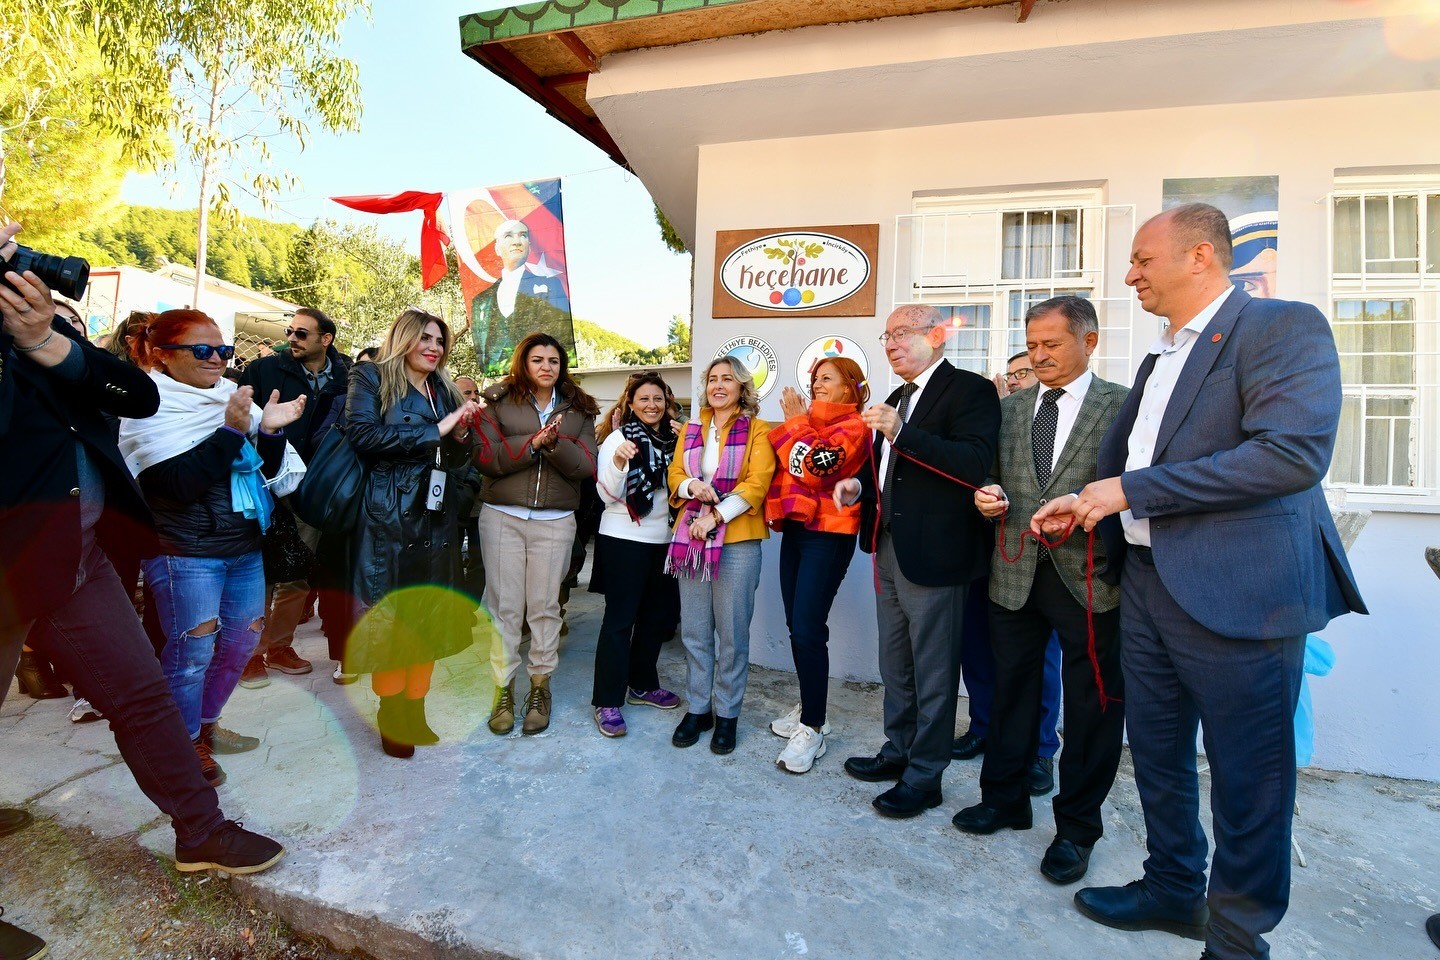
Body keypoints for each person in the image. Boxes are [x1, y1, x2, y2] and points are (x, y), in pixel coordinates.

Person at [1032, 204, 1367, 960]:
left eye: (1144, 260)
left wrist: (1131, 493)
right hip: (1147, 585)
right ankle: (1174, 886)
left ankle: (1239, 940)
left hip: (1241, 594)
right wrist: (1089, 501)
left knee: (1250, 779)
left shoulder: (1282, 326)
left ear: (1202, 257)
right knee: (1155, 751)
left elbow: (1289, 456)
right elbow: (1132, 472)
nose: (1130, 275)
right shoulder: (1159, 359)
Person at [0, 224, 284, 960]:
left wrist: (44, 340)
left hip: (77, 557)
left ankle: (202, 831)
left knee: (144, 695)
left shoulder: (43, 331)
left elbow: (131, 392)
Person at [951, 296, 1129, 887]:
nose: (1040, 354)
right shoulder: (1012, 408)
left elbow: (1135, 488)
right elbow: (993, 474)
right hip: (1015, 570)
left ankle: (1076, 830)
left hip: (1089, 579)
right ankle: (1003, 798)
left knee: (1091, 708)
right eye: (1033, 344)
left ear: (1090, 342)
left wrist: (1089, 513)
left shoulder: (1122, 407)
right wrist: (987, 495)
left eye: (1052, 344)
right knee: (1010, 693)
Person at [118, 309, 307, 786]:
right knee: (190, 654)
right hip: (184, 551)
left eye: (223, 351)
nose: (218, 359)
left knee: (241, 643)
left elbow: (261, 471)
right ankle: (182, 748)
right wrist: (229, 430)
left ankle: (204, 728)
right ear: (162, 354)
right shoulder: (147, 403)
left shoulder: (229, 396)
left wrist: (268, 430)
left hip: (242, 545)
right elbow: (176, 485)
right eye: (203, 351)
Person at [833, 304, 1000, 819]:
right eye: (886, 335)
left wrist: (902, 431)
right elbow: (884, 467)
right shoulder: (894, 398)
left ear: (937, 335)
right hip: (888, 547)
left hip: (938, 556)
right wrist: (858, 484)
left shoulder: (969, 391)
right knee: (896, 662)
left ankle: (926, 775)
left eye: (902, 333)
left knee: (933, 669)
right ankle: (898, 749)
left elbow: (972, 463)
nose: (891, 343)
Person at [344, 309, 482, 758]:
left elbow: (459, 458)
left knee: (429, 618)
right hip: (388, 514)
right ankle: (391, 712)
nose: (434, 347)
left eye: (440, 341)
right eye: (425, 338)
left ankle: (415, 708)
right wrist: (438, 428)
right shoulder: (370, 376)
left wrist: (460, 435)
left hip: (436, 514)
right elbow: (363, 436)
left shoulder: (442, 386)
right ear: (403, 336)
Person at [475, 331, 598, 736]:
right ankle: (502, 688)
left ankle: (540, 687)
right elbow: (488, 459)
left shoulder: (580, 408)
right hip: (501, 517)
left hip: (555, 521)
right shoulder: (497, 400)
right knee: (504, 608)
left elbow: (585, 466)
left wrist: (553, 443)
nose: (547, 367)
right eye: (538, 359)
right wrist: (532, 442)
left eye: (554, 361)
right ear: (523, 363)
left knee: (545, 608)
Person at [666, 355, 777, 755]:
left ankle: (727, 714)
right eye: (712, 378)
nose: (718, 385)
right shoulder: (693, 428)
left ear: (741, 387)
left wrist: (714, 517)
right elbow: (675, 474)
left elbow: (756, 485)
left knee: (731, 635)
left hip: (737, 541)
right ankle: (699, 709)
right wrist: (692, 488)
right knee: (695, 632)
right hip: (690, 539)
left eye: (727, 379)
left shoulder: (759, 430)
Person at [763, 357, 870, 773]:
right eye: (814, 379)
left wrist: (793, 423)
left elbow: (816, 467)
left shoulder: (856, 427)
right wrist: (799, 425)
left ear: (850, 388)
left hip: (830, 535)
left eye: (827, 378)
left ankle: (814, 726)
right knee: (797, 625)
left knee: (808, 628)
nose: (817, 384)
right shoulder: (808, 423)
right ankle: (811, 704)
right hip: (797, 530)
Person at [237, 306, 352, 687]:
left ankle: (279, 646)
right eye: (290, 331)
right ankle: (249, 654)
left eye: (302, 333)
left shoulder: (348, 375)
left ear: (326, 338)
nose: (292, 338)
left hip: (318, 488)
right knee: (261, 573)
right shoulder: (263, 371)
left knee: (297, 572)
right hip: (265, 483)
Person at [589, 371, 683, 737]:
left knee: (656, 621)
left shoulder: (676, 439)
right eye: (643, 399)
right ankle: (606, 701)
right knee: (619, 621)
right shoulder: (618, 439)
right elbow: (607, 494)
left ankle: (642, 685)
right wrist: (618, 463)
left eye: (657, 399)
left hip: (665, 540)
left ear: (667, 402)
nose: (651, 405)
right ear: (630, 403)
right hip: (623, 539)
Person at [467, 220, 574, 371]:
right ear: (497, 248)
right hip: (500, 380)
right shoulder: (481, 300)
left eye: (522, 235)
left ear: (529, 247)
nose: (516, 241)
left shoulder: (552, 287)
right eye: (508, 236)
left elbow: (562, 339)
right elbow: (481, 347)